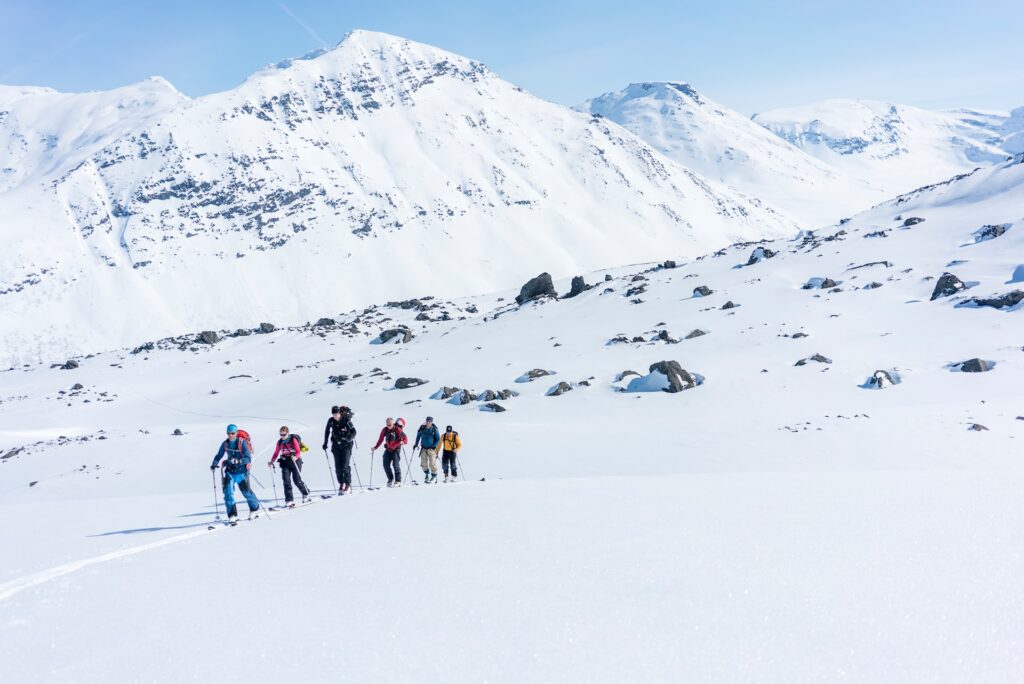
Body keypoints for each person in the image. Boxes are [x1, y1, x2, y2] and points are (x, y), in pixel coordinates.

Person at [210, 424, 262, 522]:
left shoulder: (242, 443)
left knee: (246, 492)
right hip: (230, 470)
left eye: (233, 433)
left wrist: (239, 461)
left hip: (241, 471)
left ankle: (254, 509)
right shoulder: (225, 444)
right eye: (229, 433)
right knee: (228, 492)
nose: (230, 435)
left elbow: (248, 458)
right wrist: (214, 464)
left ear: (236, 433)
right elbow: (219, 455)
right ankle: (232, 515)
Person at [269, 426, 310, 506]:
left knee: (297, 480)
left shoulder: (293, 440)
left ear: (288, 433)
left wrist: (296, 457)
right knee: (286, 481)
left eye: (284, 434)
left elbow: (298, 451)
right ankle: (289, 500)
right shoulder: (280, 442)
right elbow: (276, 453)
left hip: (295, 461)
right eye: (281, 434)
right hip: (285, 462)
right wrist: (272, 461)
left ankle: (306, 493)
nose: (282, 436)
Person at [323, 406, 356, 494]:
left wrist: (348, 439)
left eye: (336, 414)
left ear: (340, 413)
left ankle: (348, 485)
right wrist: (325, 443)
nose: (335, 416)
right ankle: (341, 483)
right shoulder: (331, 420)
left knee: (345, 466)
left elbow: (354, 431)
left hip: (346, 445)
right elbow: (327, 431)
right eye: (333, 414)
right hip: (336, 446)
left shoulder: (346, 420)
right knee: (338, 468)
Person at [372, 417, 408, 487]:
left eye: (390, 425)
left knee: (396, 465)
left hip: (396, 450)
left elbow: (405, 438)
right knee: (385, 465)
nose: (389, 426)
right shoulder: (385, 430)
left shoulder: (398, 429)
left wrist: (403, 442)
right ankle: (390, 479)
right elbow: (380, 439)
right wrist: (375, 447)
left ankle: (398, 481)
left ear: (393, 423)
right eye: (387, 425)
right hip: (388, 450)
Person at [413, 416, 441, 483]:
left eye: (429, 421)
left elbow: (438, 439)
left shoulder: (434, 429)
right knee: (423, 463)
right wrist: (416, 444)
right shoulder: (422, 428)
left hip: (431, 449)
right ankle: (427, 475)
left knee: (432, 463)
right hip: (423, 448)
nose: (428, 422)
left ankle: (434, 476)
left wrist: (434, 446)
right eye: (427, 421)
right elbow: (418, 436)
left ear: (431, 422)